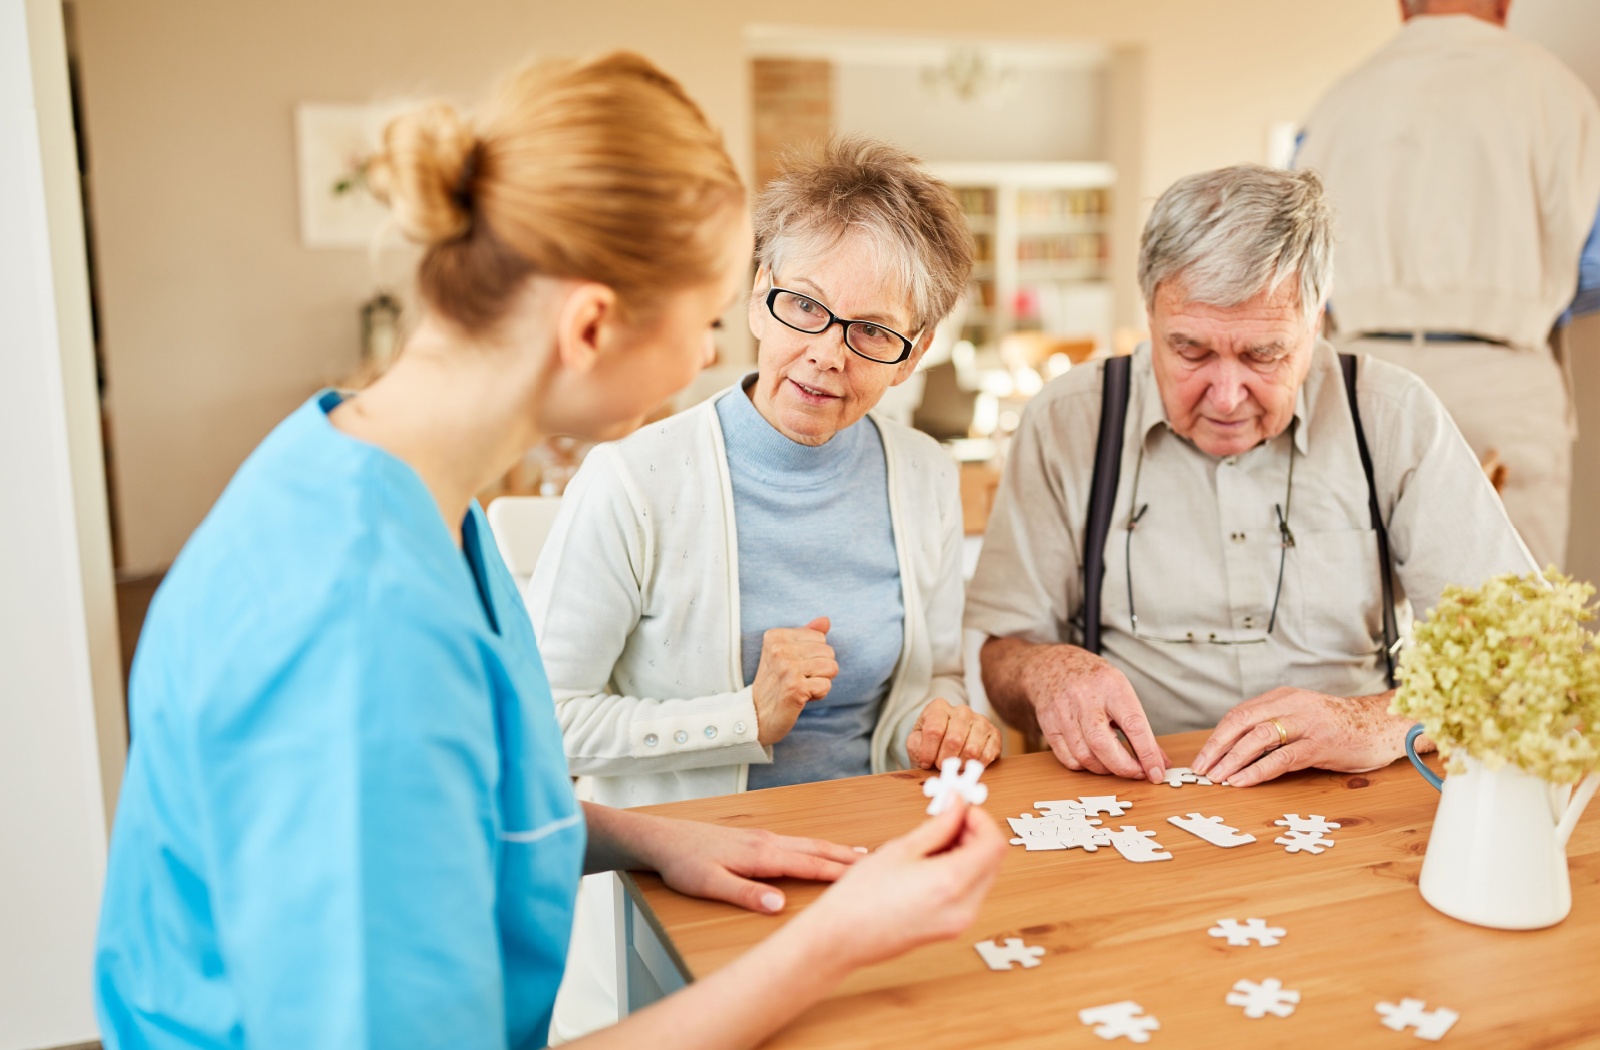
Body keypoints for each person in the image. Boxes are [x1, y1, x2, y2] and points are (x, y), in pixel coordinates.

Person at [93, 53, 1005, 1050]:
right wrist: (831, 944)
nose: (711, 357)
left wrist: (651, 835)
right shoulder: (359, 623)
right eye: (707, 319)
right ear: (591, 326)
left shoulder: (405, 494)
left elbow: (472, 804)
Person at [525, 137, 1002, 1040]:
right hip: (687, 888)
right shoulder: (633, 480)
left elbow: (929, 677)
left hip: (874, 871)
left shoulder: (927, 475)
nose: (829, 355)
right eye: (805, 308)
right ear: (756, 297)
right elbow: (541, 725)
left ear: (916, 351)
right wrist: (743, 715)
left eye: (873, 332)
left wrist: (938, 722)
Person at [965, 164, 1537, 792]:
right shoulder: (1067, 420)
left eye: (1265, 354)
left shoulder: (1392, 414)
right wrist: (1046, 672)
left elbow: (1524, 651)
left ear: (1316, 321)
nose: (1228, 395)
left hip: (1357, 793)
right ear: (1151, 312)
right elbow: (1002, 652)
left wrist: (1371, 721)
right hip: (1135, 795)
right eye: (1191, 351)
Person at [1293, 0, 1600, 569]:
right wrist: (1522, 300)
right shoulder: (1558, 94)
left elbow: (1294, 261)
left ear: (1403, 7)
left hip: (1364, 375)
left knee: (1365, 606)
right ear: (1505, 6)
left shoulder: (1340, 101)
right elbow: (1595, 264)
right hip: (1504, 373)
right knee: (1514, 620)